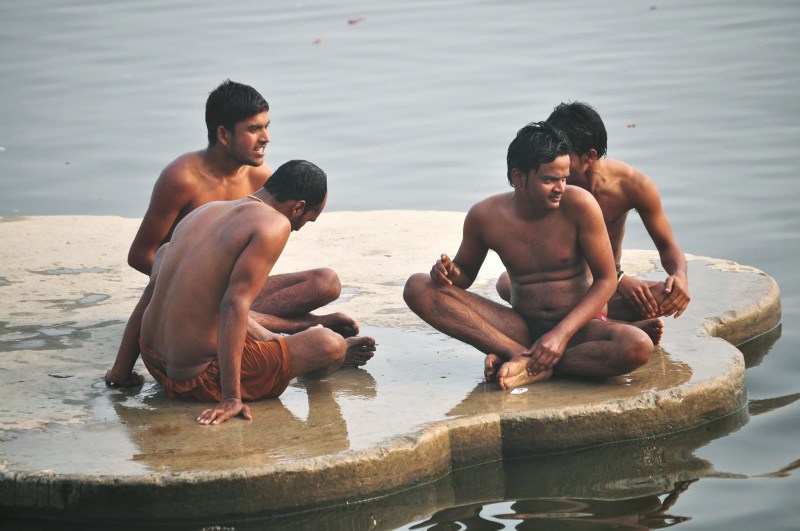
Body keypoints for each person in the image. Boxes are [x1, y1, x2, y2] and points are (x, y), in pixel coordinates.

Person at [115, 160, 376, 425]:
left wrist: (120, 373)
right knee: (329, 344)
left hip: (154, 362)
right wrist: (231, 397)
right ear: (297, 207)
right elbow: (233, 305)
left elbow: (153, 287)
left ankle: (295, 337)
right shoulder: (275, 223)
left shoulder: (205, 211)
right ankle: (320, 361)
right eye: (307, 220)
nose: (299, 228)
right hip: (200, 377)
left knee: (324, 281)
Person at [403, 122, 654, 391]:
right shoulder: (485, 216)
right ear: (519, 178)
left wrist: (560, 335)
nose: (560, 188)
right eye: (549, 180)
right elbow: (464, 275)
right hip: (520, 326)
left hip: (578, 328)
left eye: (564, 178)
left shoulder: (580, 205)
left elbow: (606, 279)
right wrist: (448, 273)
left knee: (637, 345)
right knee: (418, 287)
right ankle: (517, 354)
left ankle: (531, 365)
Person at [128, 79, 355, 334]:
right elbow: (140, 254)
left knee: (325, 282)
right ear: (224, 135)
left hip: (234, 291)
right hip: (191, 296)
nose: (266, 138)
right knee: (233, 309)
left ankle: (260, 320)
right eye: (254, 129)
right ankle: (305, 325)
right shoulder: (182, 179)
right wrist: (188, 284)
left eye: (266, 127)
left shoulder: (261, 178)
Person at [496, 102, 690, 325]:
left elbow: (667, 245)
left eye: (563, 153)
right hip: (560, 286)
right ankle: (613, 326)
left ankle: (603, 322)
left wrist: (680, 276)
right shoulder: (550, 188)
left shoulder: (633, 185)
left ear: (589, 156)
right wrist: (620, 280)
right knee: (506, 283)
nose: (554, 160)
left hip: (605, 283)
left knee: (662, 296)